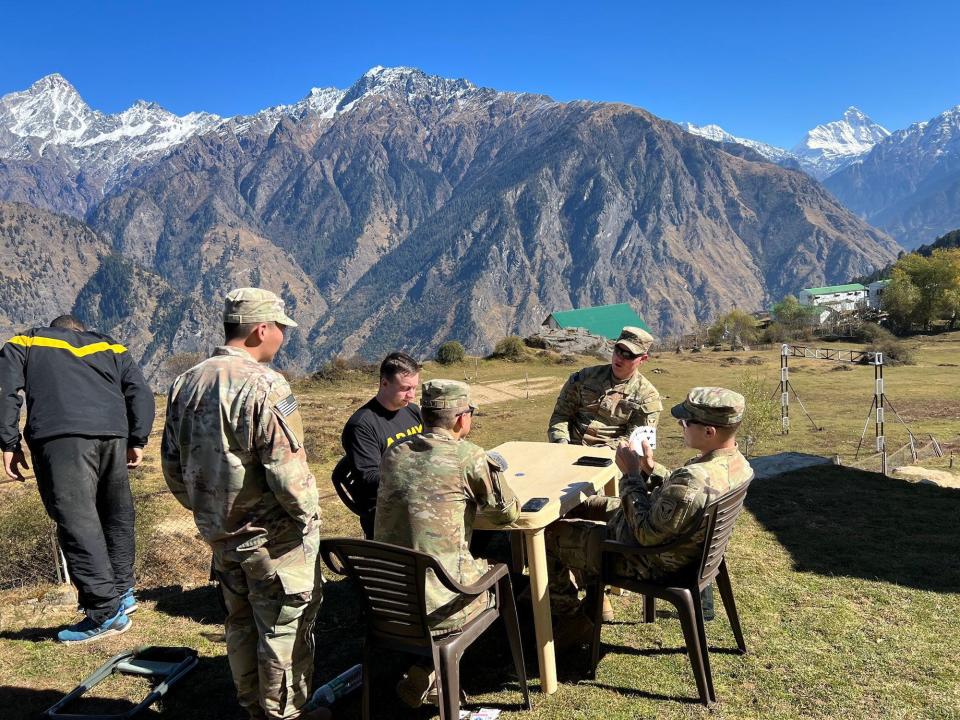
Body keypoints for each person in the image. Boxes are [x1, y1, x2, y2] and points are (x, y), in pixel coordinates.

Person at [161, 288, 328, 720]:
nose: (283, 339)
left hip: (222, 536)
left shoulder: (186, 381)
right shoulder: (265, 384)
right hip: (273, 541)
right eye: (280, 330)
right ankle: (286, 715)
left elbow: (173, 466)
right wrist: (308, 520)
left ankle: (254, 708)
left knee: (238, 624)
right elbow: (288, 475)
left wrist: (210, 514)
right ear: (261, 329)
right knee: (282, 630)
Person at [544, 387, 754, 648]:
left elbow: (644, 534)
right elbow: (682, 496)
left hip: (650, 561)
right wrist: (650, 469)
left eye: (687, 421)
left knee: (549, 536)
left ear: (709, 431)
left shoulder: (694, 479)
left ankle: (572, 619)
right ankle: (592, 599)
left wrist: (631, 474)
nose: (680, 424)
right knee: (580, 506)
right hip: (683, 549)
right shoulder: (735, 464)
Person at [0, 315, 155, 643]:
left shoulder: (27, 342)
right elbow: (139, 391)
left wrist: (8, 442)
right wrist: (137, 439)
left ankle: (103, 613)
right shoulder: (110, 346)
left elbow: (5, 390)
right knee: (116, 515)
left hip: (61, 436)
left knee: (77, 520)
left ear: (56, 330)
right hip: (113, 434)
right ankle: (122, 594)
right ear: (82, 332)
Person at [374, 379, 520, 707]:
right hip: (439, 603)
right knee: (503, 573)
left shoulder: (393, 453)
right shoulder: (468, 456)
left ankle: (429, 670)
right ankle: (440, 667)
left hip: (386, 598)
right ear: (460, 419)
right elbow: (506, 515)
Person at [340, 351, 423, 537]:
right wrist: (418, 479)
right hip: (385, 513)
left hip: (418, 501)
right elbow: (369, 479)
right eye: (405, 388)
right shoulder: (361, 425)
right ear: (384, 383)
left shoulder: (413, 412)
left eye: (415, 388)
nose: (411, 395)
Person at [547, 326, 662, 448]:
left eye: (628, 355)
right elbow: (561, 415)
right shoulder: (584, 377)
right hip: (569, 449)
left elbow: (638, 442)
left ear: (643, 359)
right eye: (618, 350)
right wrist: (561, 442)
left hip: (613, 457)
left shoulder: (648, 397)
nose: (620, 358)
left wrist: (604, 453)